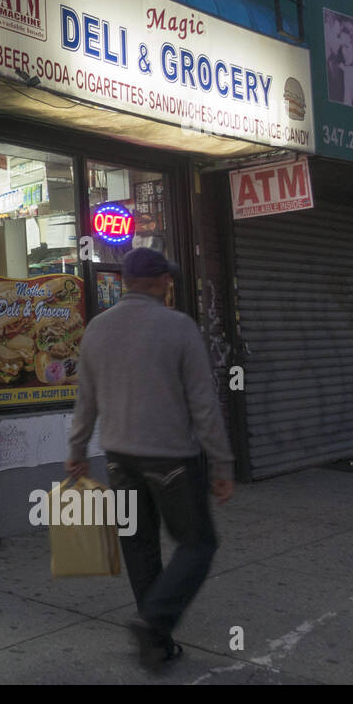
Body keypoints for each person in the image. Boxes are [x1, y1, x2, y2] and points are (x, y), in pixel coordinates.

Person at [66, 246, 235, 672]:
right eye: (168, 278)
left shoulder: (97, 329)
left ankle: (156, 642)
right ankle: (152, 622)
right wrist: (222, 464)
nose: (170, 284)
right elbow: (204, 405)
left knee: (139, 548)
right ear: (159, 282)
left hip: (120, 457)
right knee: (198, 543)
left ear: (123, 282)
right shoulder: (178, 327)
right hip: (173, 460)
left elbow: (85, 401)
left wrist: (77, 452)